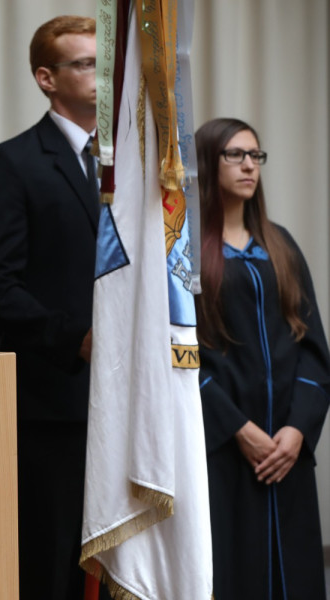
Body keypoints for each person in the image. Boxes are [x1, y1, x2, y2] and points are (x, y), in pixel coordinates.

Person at [0, 15, 99, 599]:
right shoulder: (12, 162)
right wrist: (76, 339)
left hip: (128, 402)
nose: (101, 75)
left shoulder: (133, 164)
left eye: (104, 63)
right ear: (47, 78)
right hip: (54, 403)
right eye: (86, 64)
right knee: (55, 565)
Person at [195, 118, 329, 600]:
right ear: (207, 162)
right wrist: (237, 428)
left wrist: (297, 431)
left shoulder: (281, 245)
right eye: (235, 154)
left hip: (286, 453)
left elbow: (312, 348)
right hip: (224, 450)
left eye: (255, 155)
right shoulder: (185, 252)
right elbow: (179, 357)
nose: (249, 165)